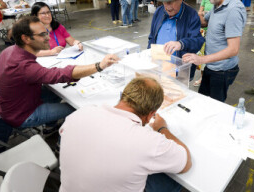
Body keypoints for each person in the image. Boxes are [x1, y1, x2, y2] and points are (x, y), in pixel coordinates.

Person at [59, 76, 191, 192]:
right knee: (171, 180)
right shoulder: (147, 142)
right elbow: (185, 163)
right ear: (151, 114)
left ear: (122, 96)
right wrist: (162, 129)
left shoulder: (80, 114)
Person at [0, 16, 119, 128]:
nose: (48, 37)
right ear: (26, 38)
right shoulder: (23, 66)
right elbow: (59, 74)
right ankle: (62, 142)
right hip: (21, 115)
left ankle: (50, 125)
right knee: (80, 108)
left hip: (17, 103)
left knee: (59, 92)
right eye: (43, 34)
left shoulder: (10, 50)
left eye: (47, 32)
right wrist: (100, 65)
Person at [182, 0, 246, 102]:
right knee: (203, 101)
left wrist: (202, 60)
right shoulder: (218, 4)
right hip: (211, 66)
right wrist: (182, 7)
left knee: (215, 107)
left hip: (222, 71)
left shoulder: (233, 10)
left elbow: (233, 49)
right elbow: (204, 21)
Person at [148, 0, 204, 80]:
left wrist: (181, 44)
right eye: (165, 2)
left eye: (171, 2)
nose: (168, 7)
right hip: (158, 69)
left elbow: (198, 41)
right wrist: (149, 56)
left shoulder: (191, 15)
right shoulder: (159, 12)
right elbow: (152, 37)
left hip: (179, 73)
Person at [193, 0, 214, 87]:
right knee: (202, 54)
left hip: (213, 31)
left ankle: (210, 79)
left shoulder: (219, 0)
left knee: (211, 55)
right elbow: (200, 11)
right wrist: (202, 13)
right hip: (204, 29)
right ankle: (202, 78)